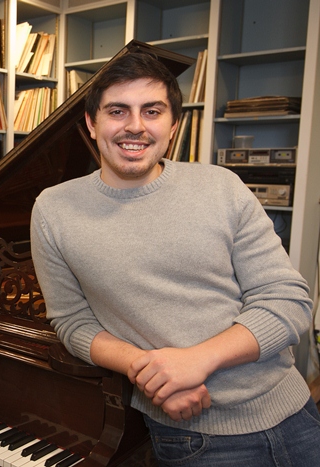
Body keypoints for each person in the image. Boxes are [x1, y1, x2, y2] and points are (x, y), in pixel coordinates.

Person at [30, 52, 320, 466]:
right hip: (189, 437)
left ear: (173, 125)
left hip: (296, 413)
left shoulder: (222, 187)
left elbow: (288, 301)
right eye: (117, 111)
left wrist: (196, 362)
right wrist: (149, 372)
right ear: (92, 124)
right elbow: (71, 321)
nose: (135, 126)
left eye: (152, 111)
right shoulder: (53, 210)